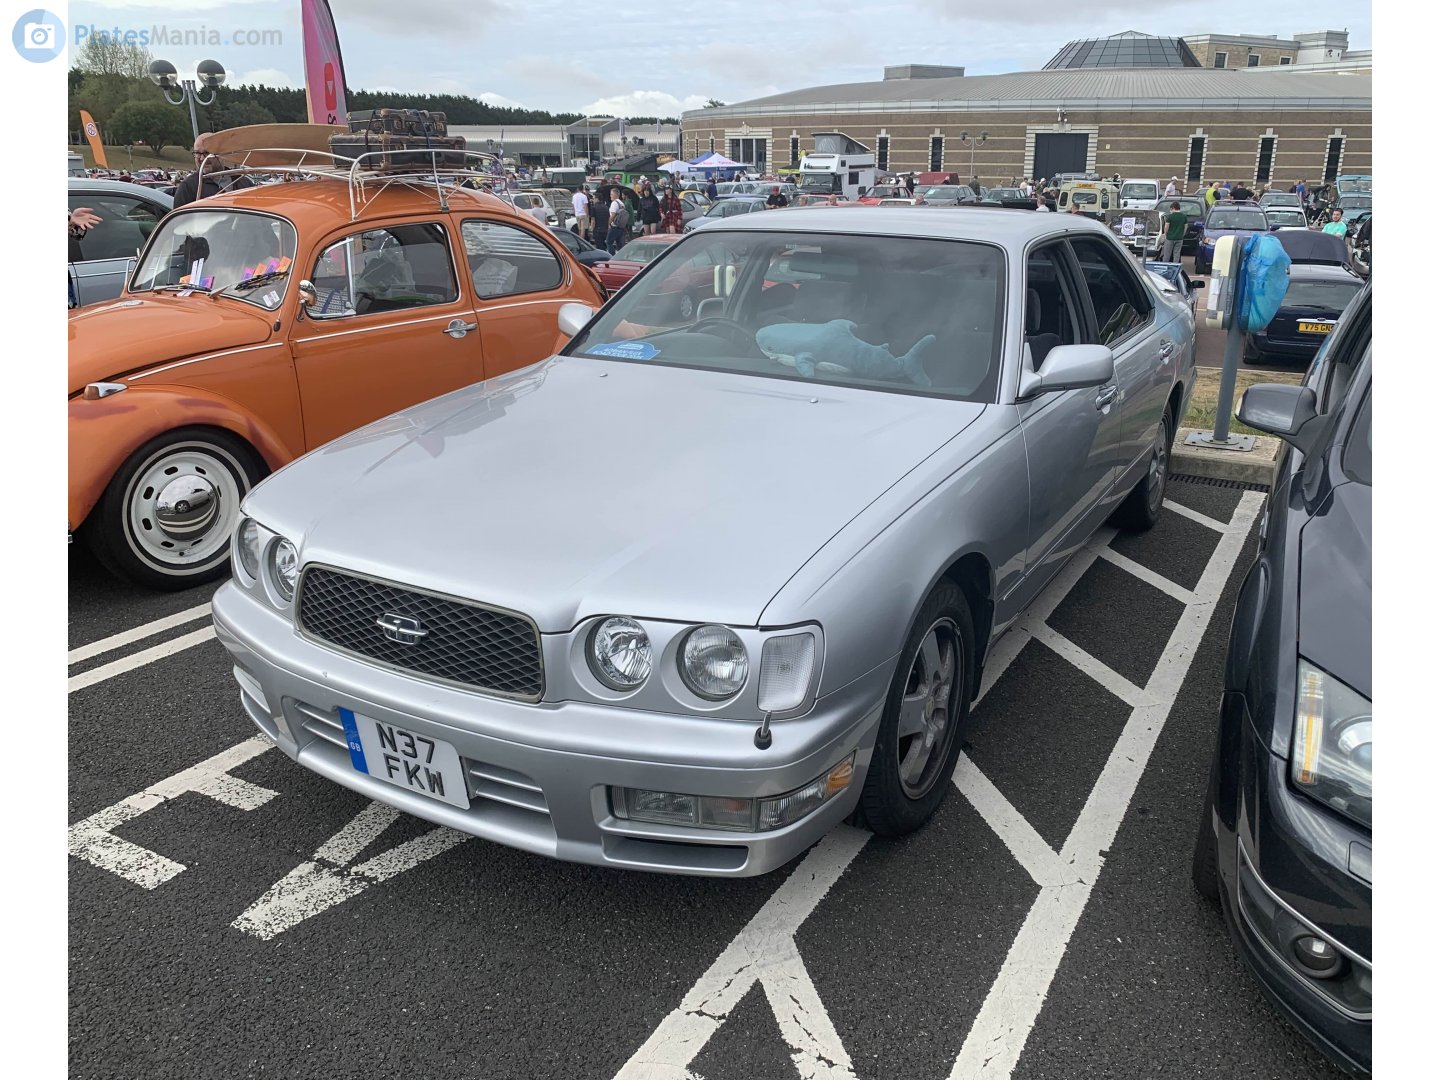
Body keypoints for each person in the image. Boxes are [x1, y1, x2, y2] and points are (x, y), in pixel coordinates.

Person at [170, 134, 256, 209]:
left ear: (222, 153)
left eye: (207, 153)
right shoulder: (189, 187)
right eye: (197, 153)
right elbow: (180, 224)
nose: (202, 159)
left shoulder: (242, 181)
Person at [606, 188, 628, 253]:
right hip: (621, 227)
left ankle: (612, 256)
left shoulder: (614, 203)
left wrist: (608, 224)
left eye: (611, 194)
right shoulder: (622, 203)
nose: (610, 196)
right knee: (620, 244)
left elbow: (613, 215)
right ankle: (620, 257)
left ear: (616, 194)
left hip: (614, 226)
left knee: (608, 242)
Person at [590, 183, 610, 249]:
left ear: (597, 199)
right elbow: (608, 218)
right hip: (605, 229)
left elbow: (593, 220)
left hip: (597, 230)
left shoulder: (594, 207)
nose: (592, 200)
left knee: (599, 246)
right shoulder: (606, 207)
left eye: (593, 198)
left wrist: (592, 229)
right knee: (604, 246)